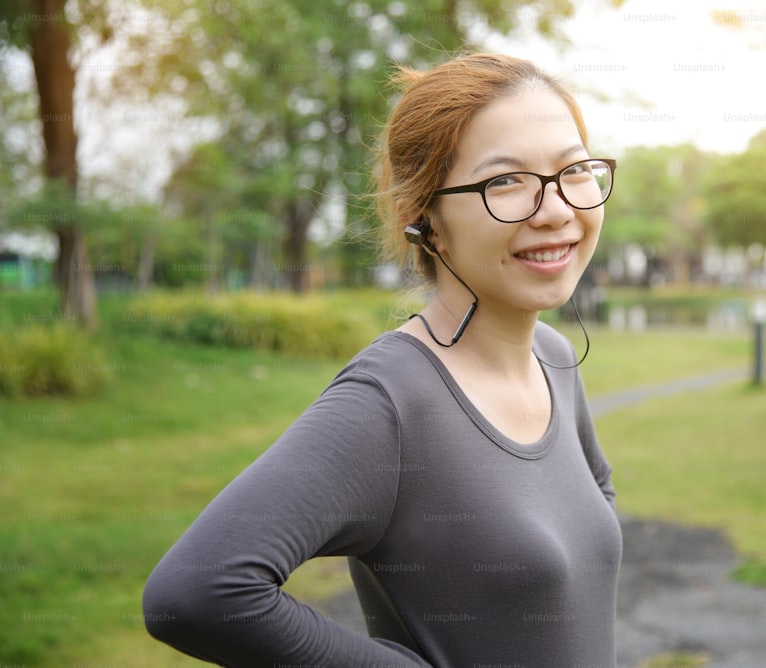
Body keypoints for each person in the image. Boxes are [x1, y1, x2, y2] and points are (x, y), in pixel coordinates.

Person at [143, 51, 622, 667]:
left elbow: (593, 494)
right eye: (505, 181)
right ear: (422, 217)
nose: (556, 209)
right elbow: (199, 591)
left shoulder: (554, 358)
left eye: (574, 170)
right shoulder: (392, 403)